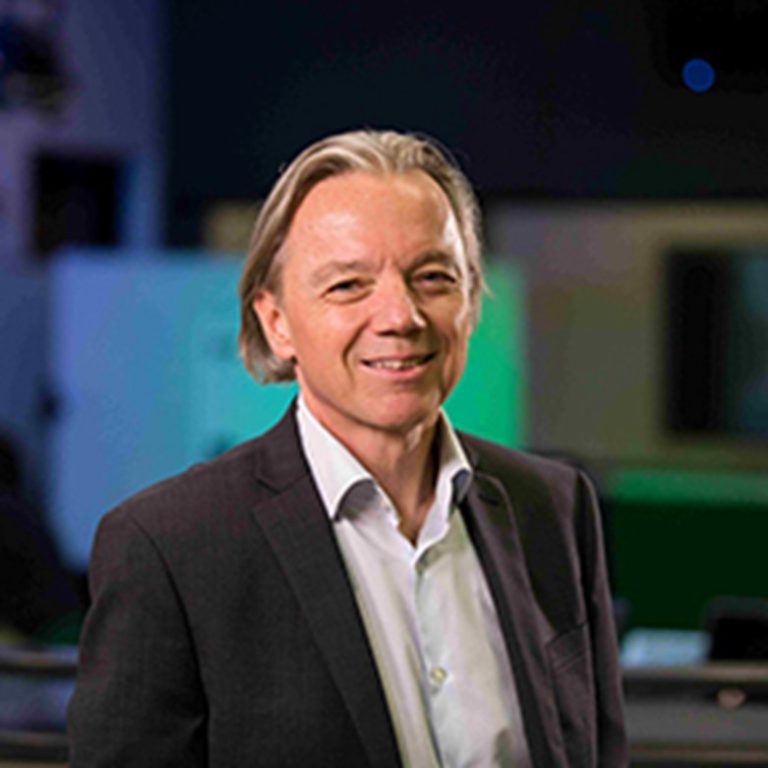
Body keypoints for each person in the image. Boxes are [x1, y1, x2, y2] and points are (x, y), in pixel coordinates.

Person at [68, 129, 627, 766]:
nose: (401, 316)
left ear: (470, 298)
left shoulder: (552, 507)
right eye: (348, 286)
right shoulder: (170, 548)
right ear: (277, 323)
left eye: (433, 277)